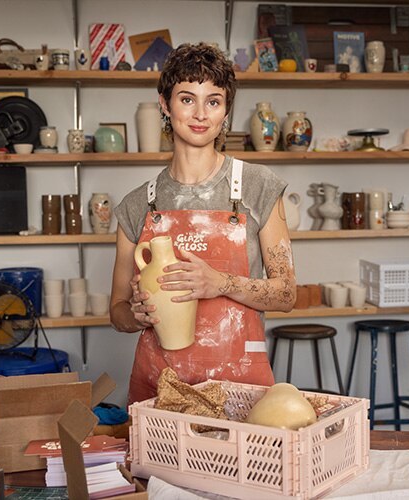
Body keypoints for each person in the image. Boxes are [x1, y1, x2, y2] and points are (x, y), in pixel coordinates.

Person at [110, 42, 296, 404]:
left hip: (240, 389)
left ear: (225, 111)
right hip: (160, 390)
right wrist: (135, 314)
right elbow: (116, 313)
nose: (200, 114)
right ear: (165, 104)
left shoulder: (257, 187)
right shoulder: (137, 205)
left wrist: (220, 283)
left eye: (213, 101)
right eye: (186, 99)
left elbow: (287, 294)